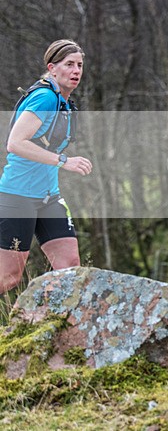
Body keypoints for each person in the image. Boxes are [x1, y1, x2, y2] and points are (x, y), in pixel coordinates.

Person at [0, 39, 93, 294]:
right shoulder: (45, 98)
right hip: (18, 196)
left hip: (49, 198)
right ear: (52, 68)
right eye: (69, 64)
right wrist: (64, 161)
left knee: (69, 268)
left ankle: (49, 318)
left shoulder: (64, 102)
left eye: (79, 65)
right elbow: (15, 143)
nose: (76, 71)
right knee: (8, 278)